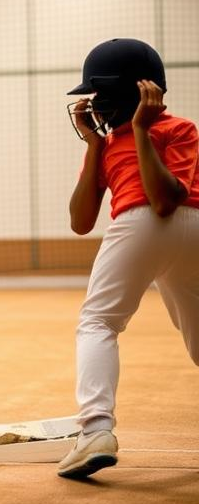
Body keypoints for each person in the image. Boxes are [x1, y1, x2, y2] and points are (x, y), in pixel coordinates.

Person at [58, 38, 199, 479]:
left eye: (99, 95)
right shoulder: (109, 144)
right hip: (192, 232)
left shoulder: (171, 128)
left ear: (129, 95)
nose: (94, 105)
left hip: (147, 220)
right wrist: (93, 146)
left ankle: (97, 431)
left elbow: (162, 202)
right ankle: (95, 432)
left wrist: (140, 130)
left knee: (98, 322)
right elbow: (81, 221)